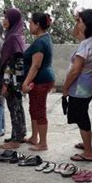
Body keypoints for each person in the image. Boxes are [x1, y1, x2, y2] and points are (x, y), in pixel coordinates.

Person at [62, 9, 92, 161]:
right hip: (87, 86)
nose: (78, 24)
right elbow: (75, 34)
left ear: (87, 23)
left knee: (82, 118)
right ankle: (87, 144)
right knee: (82, 116)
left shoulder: (86, 45)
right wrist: (77, 22)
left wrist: (65, 88)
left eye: (80, 21)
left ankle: (88, 153)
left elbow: (75, 71)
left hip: (78, 87)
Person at [21, 13, 55, 151]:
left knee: (39, 110)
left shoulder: (40, 42)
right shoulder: (44, 38)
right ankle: (34, 137)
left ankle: (43, 143)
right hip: (40, 79)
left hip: (41, 80)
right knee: (33, 108)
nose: (29, 25)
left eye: (31, 23)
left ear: (38, 25)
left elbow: (36, 66)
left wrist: (25, 83)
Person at [0, 8, 27, 149]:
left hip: (13, 80)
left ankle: (15, 140)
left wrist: (6, 82)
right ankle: (20, 134)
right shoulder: (17, 35)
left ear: (13, 20)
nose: (4, 20)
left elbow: (13, 63)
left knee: (14, 108)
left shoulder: (13, 38)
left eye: (6, 18)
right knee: (18, 107)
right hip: (17, 79)